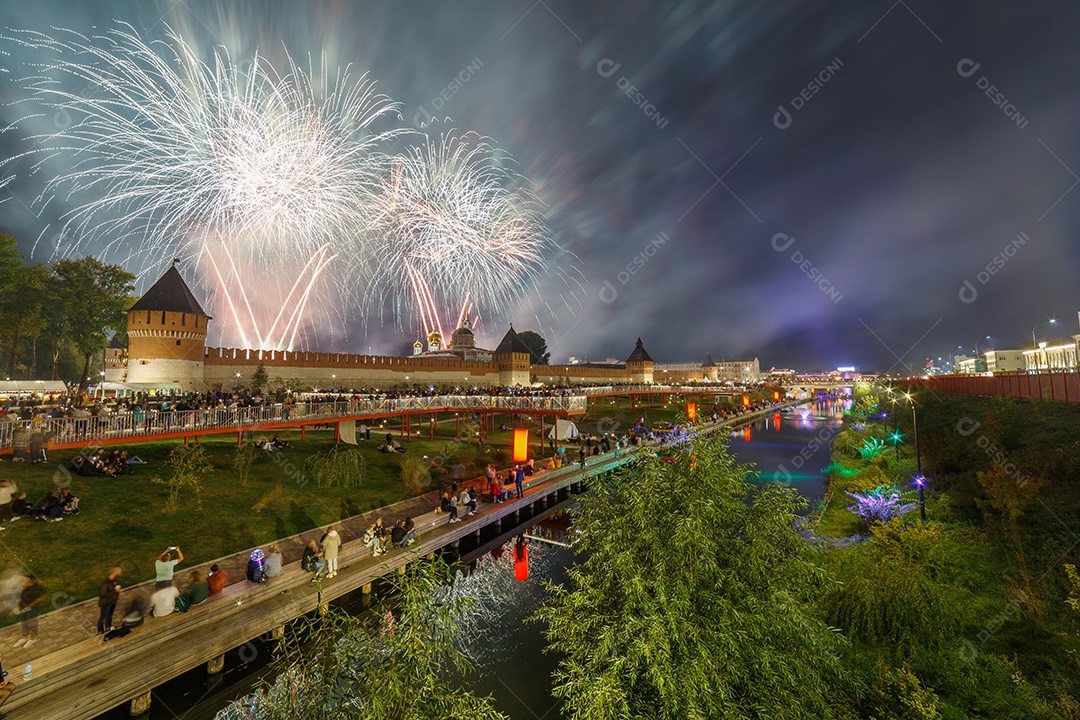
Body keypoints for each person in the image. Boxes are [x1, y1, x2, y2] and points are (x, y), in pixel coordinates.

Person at [14, 577, 44, 648]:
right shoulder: (25, 588)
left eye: (26, 581)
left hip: (32, 608)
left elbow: (41, 597)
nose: (24, 582)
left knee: (31, 622)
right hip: (23, 608)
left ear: (31, 581)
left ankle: (33, 638)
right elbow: (21, 597)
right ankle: (25, 637)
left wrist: (31, 605)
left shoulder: (37, 588)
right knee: (23, 621)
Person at [97, 566, 122, 635]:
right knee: (103, 617)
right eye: (119, 571)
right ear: (115, 572)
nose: (120, 573)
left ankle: (108, 627)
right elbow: (103, 594)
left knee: (109, 615)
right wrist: (115, 591)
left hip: (112, 601)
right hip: (106, 602)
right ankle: (100, 631)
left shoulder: (113, 581)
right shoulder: (105, 583)